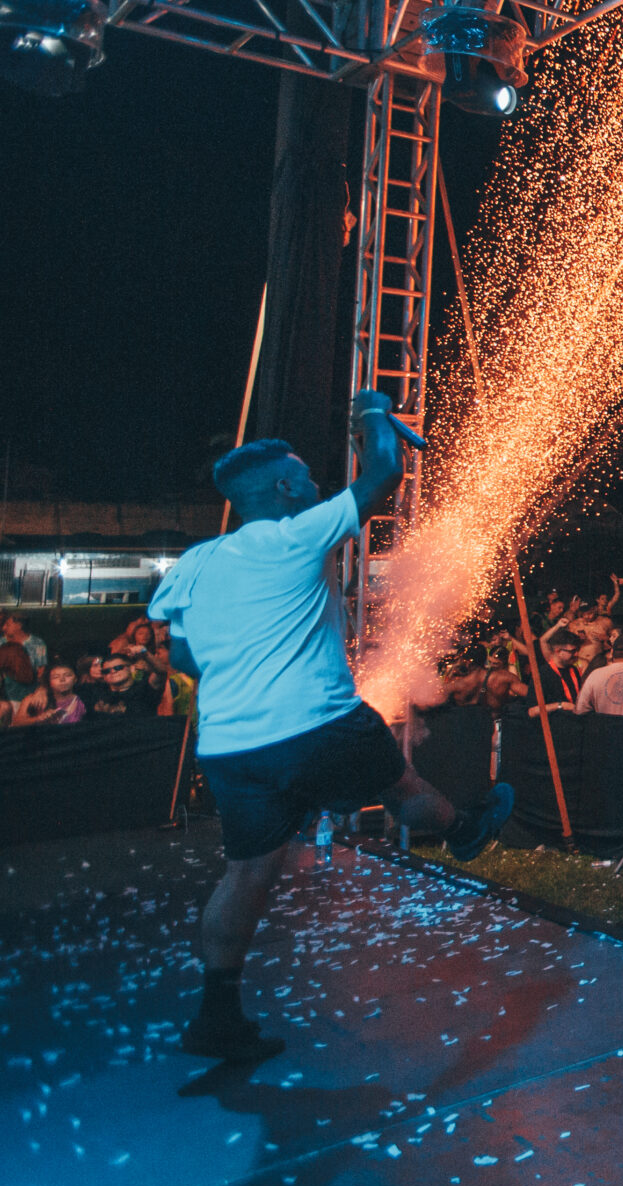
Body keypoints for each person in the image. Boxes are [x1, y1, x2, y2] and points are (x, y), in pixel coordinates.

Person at [147, 400, 514, 1063]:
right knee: (400, 784)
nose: (317, 484)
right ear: (285, 489)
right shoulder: (294, 535)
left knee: (246, 872)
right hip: (316, 723)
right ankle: (465, 830)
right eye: (308, 476)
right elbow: (379, 479)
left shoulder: (197, 562)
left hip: (230, 745)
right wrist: (374, 414)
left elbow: (181, 656)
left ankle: (217, 1014)